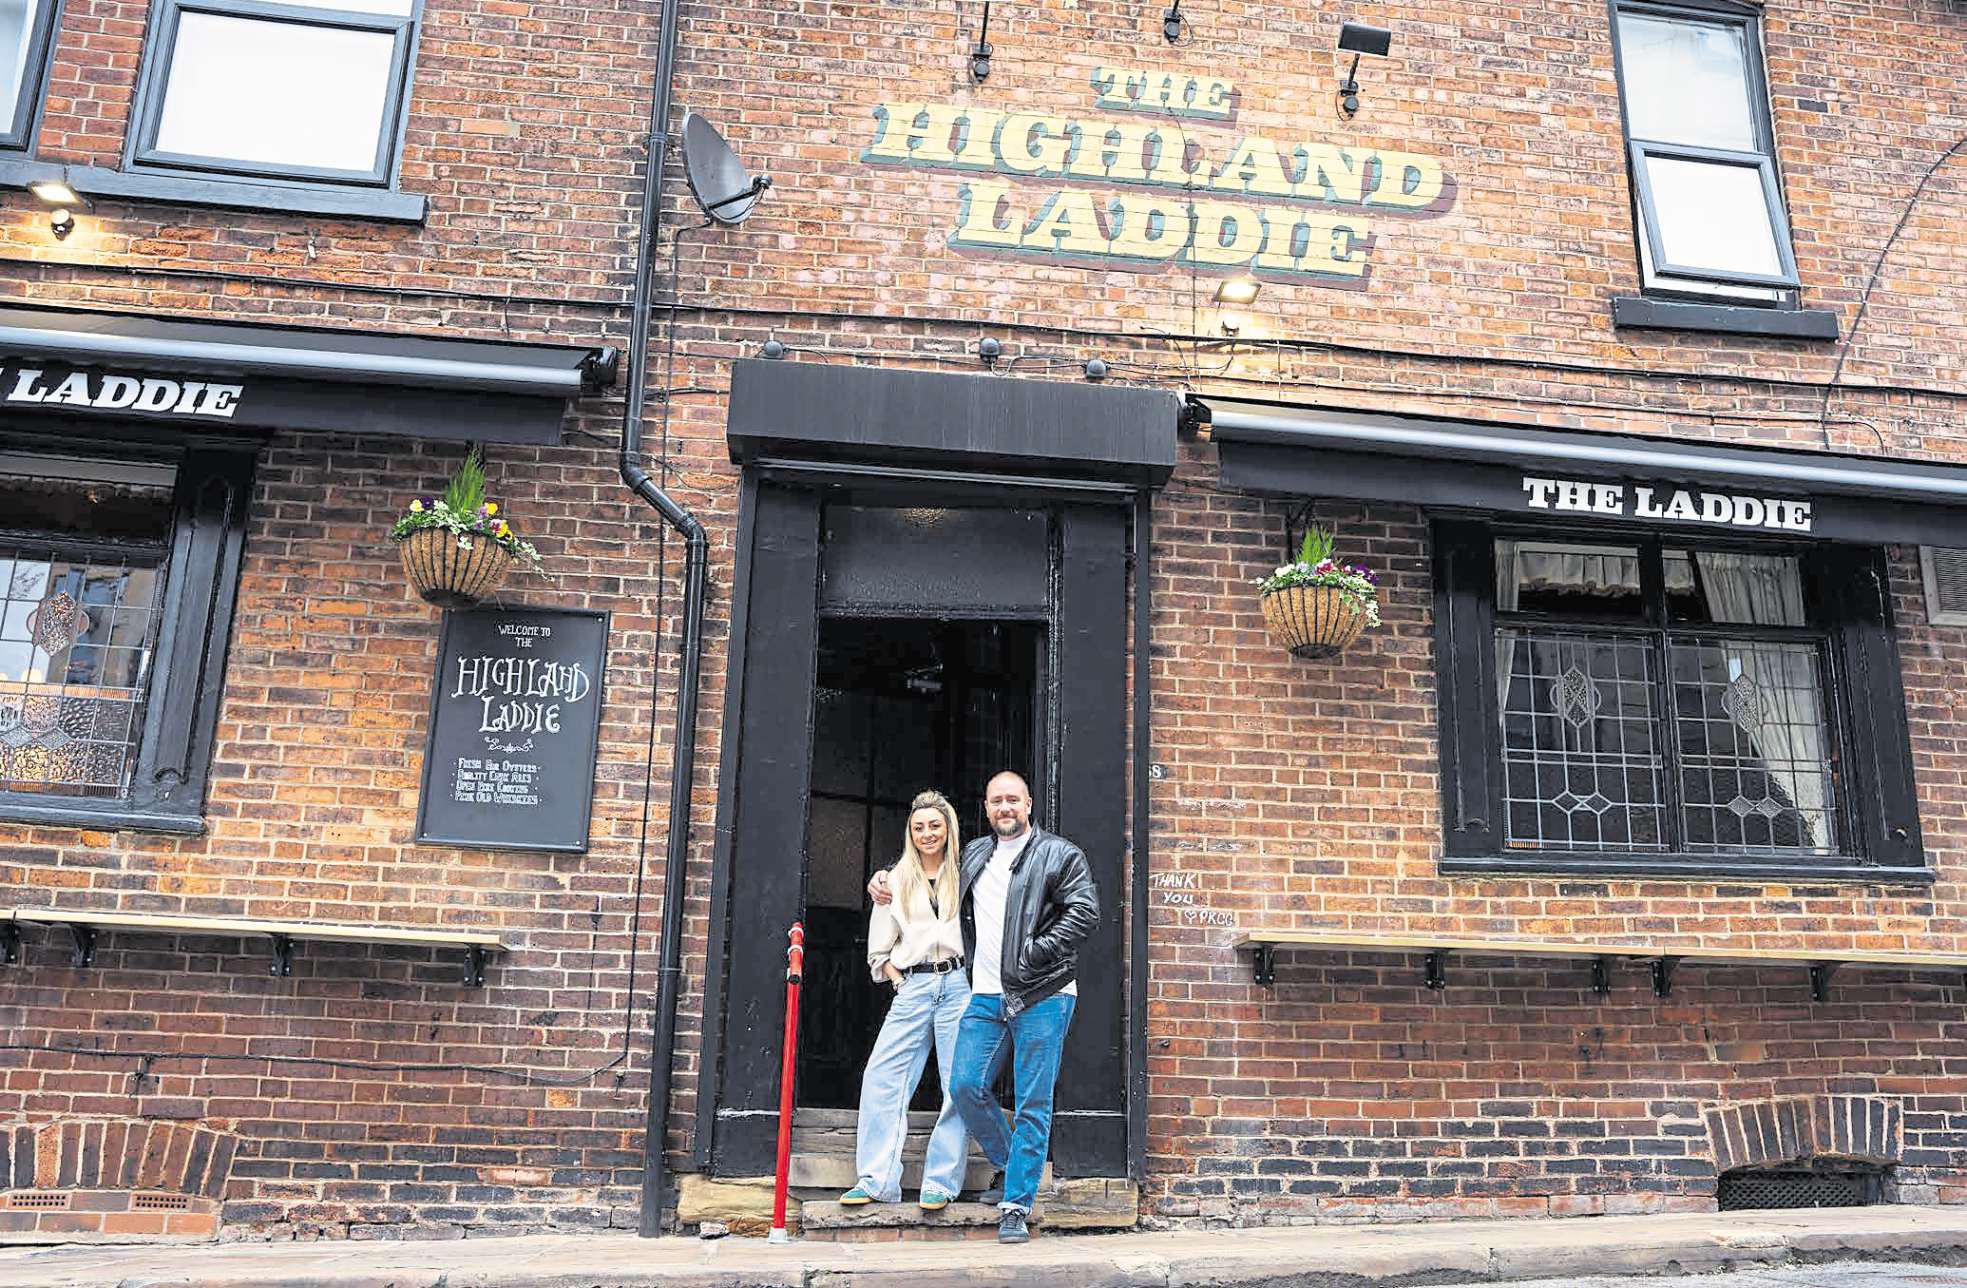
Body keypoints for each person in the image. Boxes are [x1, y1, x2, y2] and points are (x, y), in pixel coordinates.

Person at [870, 770, 1098, 1244]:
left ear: (1029, 804)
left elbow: (1084, 912)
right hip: (986, 993)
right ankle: (1015, 1167)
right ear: (987, 808)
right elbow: (926, 868)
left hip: (1044, 994)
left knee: (1034, 1101)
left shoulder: (1060, 854)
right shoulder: (974, 854)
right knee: (965, 1085)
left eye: (1013, 800)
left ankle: (1016, 1203)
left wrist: (1035, 953)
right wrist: (884, 881)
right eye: (997, 802)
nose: (1005, 808)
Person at [838, 789, 973, 1211]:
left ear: (948, 827)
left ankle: (941, 1181)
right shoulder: (893, 881)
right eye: (919, 828)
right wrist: (899, 982)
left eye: (935, 825)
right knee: (882, 1078)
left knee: (960, 1084)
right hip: (914, 986)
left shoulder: (969, 872)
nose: (927, 834)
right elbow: (879, 951)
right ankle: (876, 1179)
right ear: (909, 834)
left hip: (959, 984)